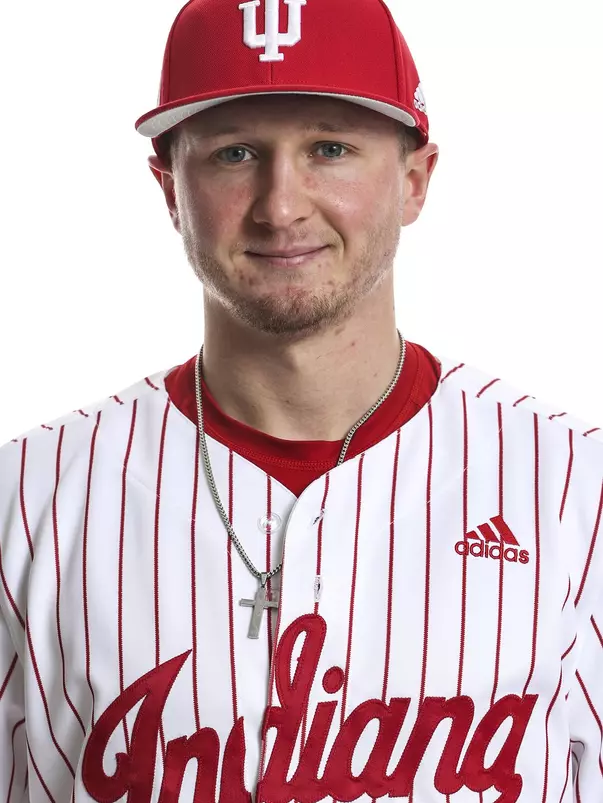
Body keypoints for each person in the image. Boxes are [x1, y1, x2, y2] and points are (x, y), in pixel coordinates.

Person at [1, 0, 602, 799]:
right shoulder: (25, 497)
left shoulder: (574, 490)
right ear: (169, 189)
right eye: (235, 152)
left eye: (329, 148)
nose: (280, 205)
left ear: (414, 180)